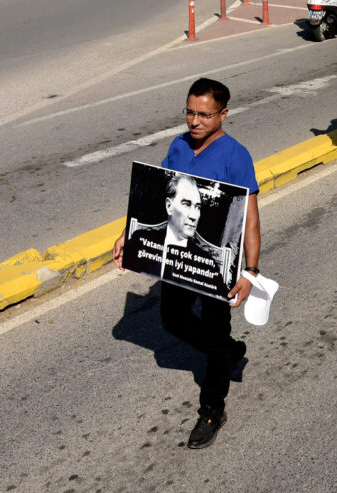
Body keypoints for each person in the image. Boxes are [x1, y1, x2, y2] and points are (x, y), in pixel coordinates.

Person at [112, 78, 260, 450]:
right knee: (172, 319)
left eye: (204, 115)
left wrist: (251, 271)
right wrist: (127, 235)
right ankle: (225, 351)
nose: (194, 121)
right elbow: (153, 194)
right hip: (177, 260)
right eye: (190, 112)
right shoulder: (179, 146)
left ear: (223, 114)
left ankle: (212, 409)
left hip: (214, 266)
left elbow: (251, 218)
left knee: (213, 334)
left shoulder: (236, 155)